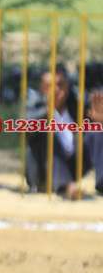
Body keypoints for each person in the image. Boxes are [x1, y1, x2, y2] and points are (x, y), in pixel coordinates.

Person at [26, 67, 103, 200]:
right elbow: (23, 129)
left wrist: (100, 121)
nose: (56, 89)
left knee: (96, 132)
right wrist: (47, 110)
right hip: (44, 170)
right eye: (51, 85)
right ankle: (67, 186)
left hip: (73, 165)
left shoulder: (77, 106)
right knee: (45, 132)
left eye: (60, 84)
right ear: (43, 88)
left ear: (67, 85)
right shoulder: (34, 105)